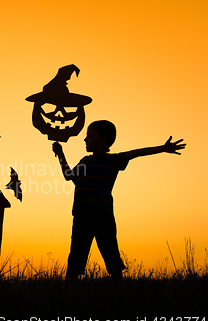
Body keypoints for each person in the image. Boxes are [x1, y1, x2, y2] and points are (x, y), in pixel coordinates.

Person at [52, 120, 185, 291]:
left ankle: (119, 291)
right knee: (76, 254)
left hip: (102, 215)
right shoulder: (84, 161)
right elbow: (68, 175)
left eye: (89, 136)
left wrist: (162, 148)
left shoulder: (111, 160)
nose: (85, 139)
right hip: (81, 215)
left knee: (110, 252)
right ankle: (68, 292)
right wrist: (60, 154)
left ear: (103, 140)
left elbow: (136, 153)